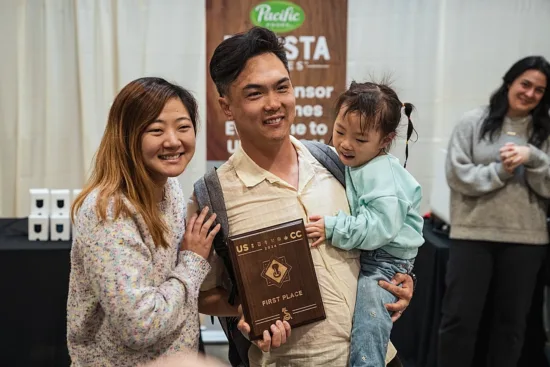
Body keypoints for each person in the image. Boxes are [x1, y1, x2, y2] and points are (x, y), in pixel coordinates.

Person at [192, 26, 414, 367]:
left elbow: (387, 229)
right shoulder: (213, 196)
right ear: (227, 107)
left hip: (379, 357)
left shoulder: (338, 163)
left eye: (282, 87)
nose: (274, 104)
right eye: (254, 94)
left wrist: (403, 280)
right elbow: (203, 295)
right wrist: (250, 310)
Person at [67, 77, 220, 366]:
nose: (173, 141)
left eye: (183, 127)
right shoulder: (108, 214)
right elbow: (140, 325)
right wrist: (192, 260)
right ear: (127, 136)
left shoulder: (169, 188)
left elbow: (176, 293)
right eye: (156, 130)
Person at [438, 56, 550, 367]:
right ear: (510, 82)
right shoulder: (473, 122)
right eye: (525, 84)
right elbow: (457, 175)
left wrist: (534, 158)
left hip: (527, 242)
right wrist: (500, 171)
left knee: (511, 326)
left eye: (539, 90)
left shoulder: (545, 132)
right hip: (472, 236)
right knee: (459, 321)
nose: (529, 93)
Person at [305, 81, 424, 367]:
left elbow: (378, 229)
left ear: (385, 140)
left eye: (360, 140)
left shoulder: (381, 174)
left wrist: (333, 228)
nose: (345, 144)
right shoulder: (357, 163)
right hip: (376, 256)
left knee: (369, 329)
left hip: (385, 262)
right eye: (340, 131)